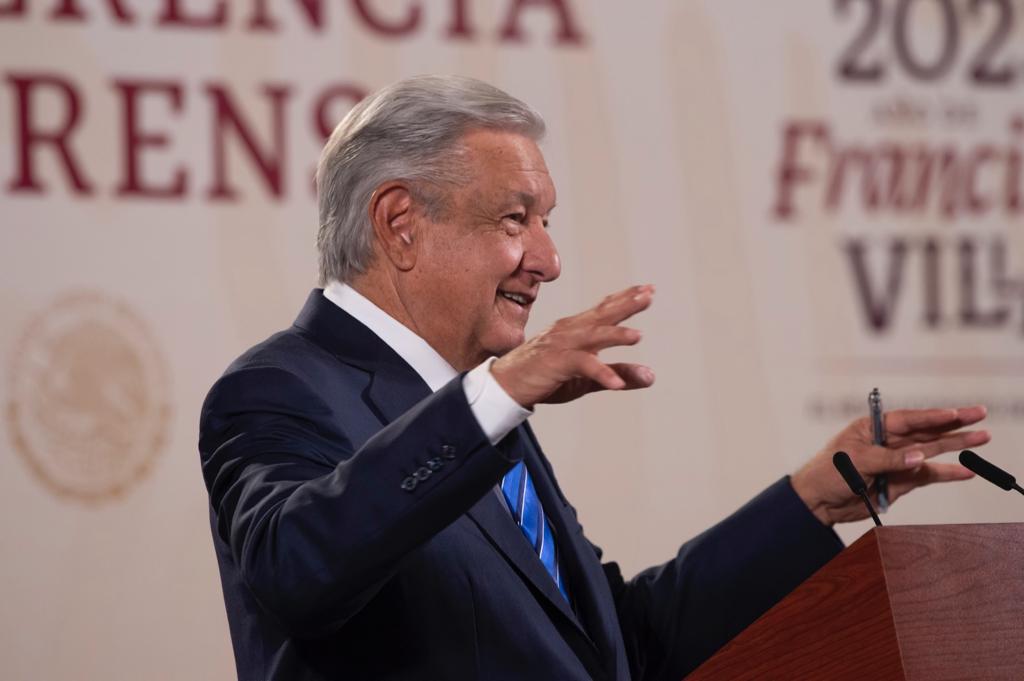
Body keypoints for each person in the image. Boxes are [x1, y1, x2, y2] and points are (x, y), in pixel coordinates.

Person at [198, 75, 988, 681]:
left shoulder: (479, 414)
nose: (548, 260)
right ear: (400, 223)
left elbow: (618, 647)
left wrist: (811, 499)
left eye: (546, 221)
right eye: (516, 219)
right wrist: (499, 394)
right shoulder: (279, 388)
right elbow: (295, 568)